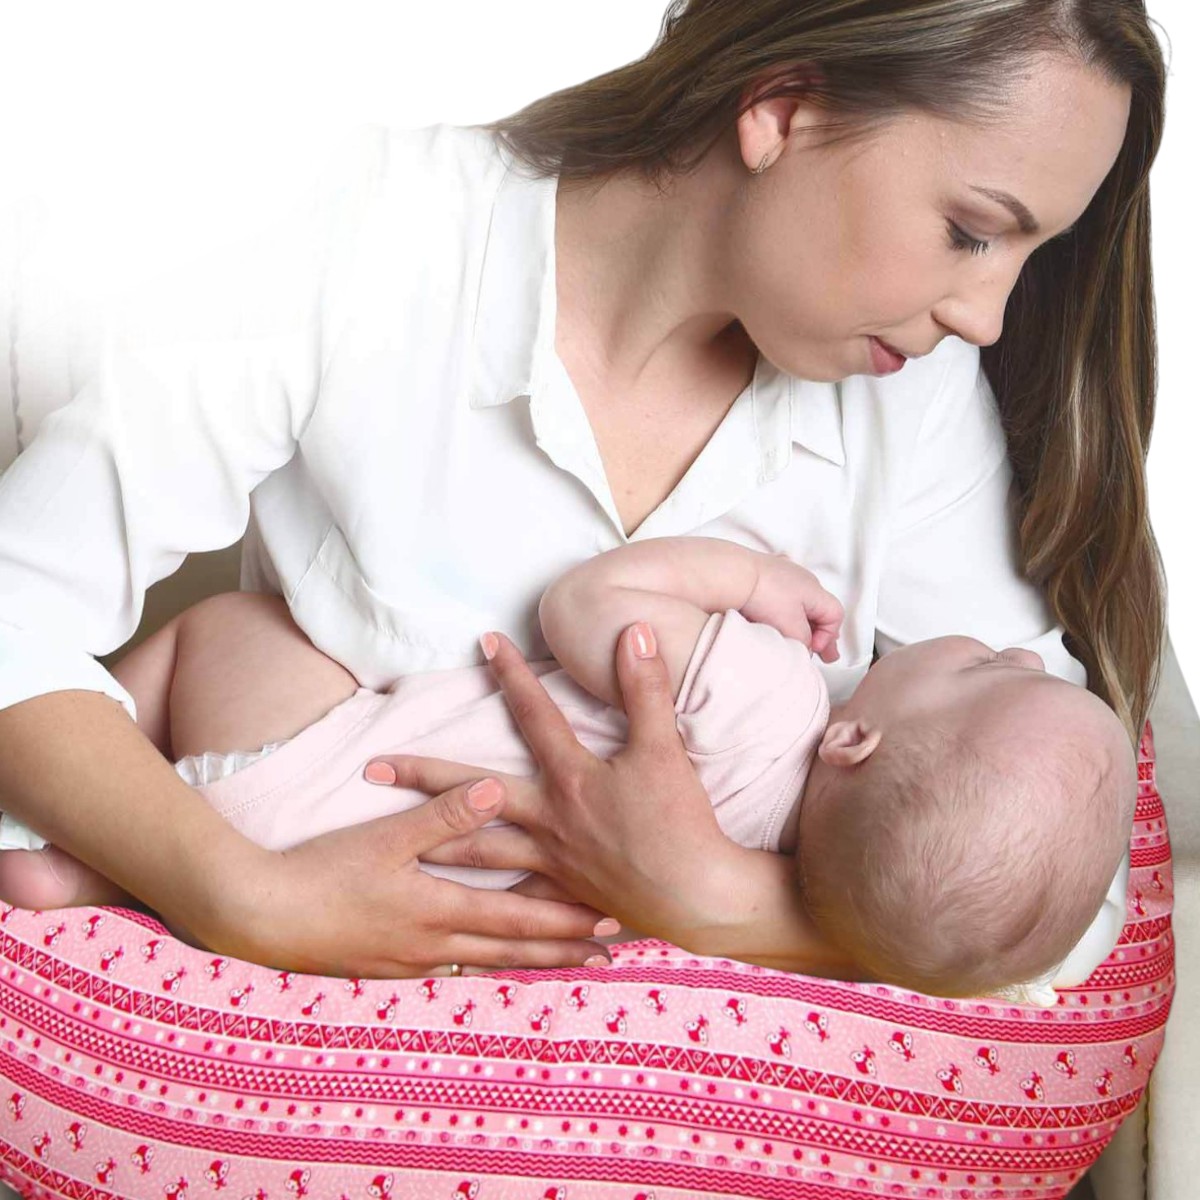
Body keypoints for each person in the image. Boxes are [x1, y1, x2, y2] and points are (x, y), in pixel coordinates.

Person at [0, 0, 1165, 982]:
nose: (988, 319)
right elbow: (16, 613)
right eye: (969, 231)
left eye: (1029, 256)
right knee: (237, 642)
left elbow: (1059, 862)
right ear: (783, 109)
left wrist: (728, 905)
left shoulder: (911, 394)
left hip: (580, 1079)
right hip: (284, 844)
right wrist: (241, 895)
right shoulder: (365, 228)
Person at [0, 536, 1137, 1002]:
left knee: (230, 626)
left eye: (984, 669)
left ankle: (102, 810)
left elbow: (587, 605)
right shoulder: (793, 878)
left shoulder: (773, 698)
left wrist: (743, 580)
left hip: (321, 757)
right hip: (377, 891)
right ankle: (92, 878)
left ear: (853, 743)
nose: (1016, 648)